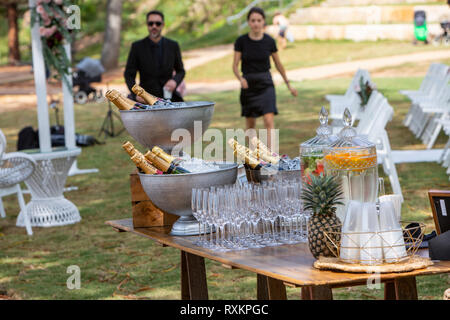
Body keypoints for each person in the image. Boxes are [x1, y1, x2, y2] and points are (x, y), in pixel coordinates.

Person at [232, 7, 297, 148]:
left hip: (266, 84)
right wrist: (240, 79)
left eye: (259, 20)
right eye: (253, 20)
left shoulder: (269, 41)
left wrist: (289, 85)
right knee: (250, 124)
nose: (256, 23)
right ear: (249, 22)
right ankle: (253, 157)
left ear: (263, 22)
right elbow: (235, 66)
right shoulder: (241, 41)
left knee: (269, 120)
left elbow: (278, 65)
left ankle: (271, 155)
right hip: (248, 85)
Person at [124, 10, 185, 102]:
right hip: (146, 99)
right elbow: (129, 74)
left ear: (163, 24)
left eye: (158, 23)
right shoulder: (137, 47)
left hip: (170, 98)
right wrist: (136, 94)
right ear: (147, 25)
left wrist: (174, 81)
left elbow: (181, 71)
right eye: (151, 23)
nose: (154, 26)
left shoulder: (173, 45)